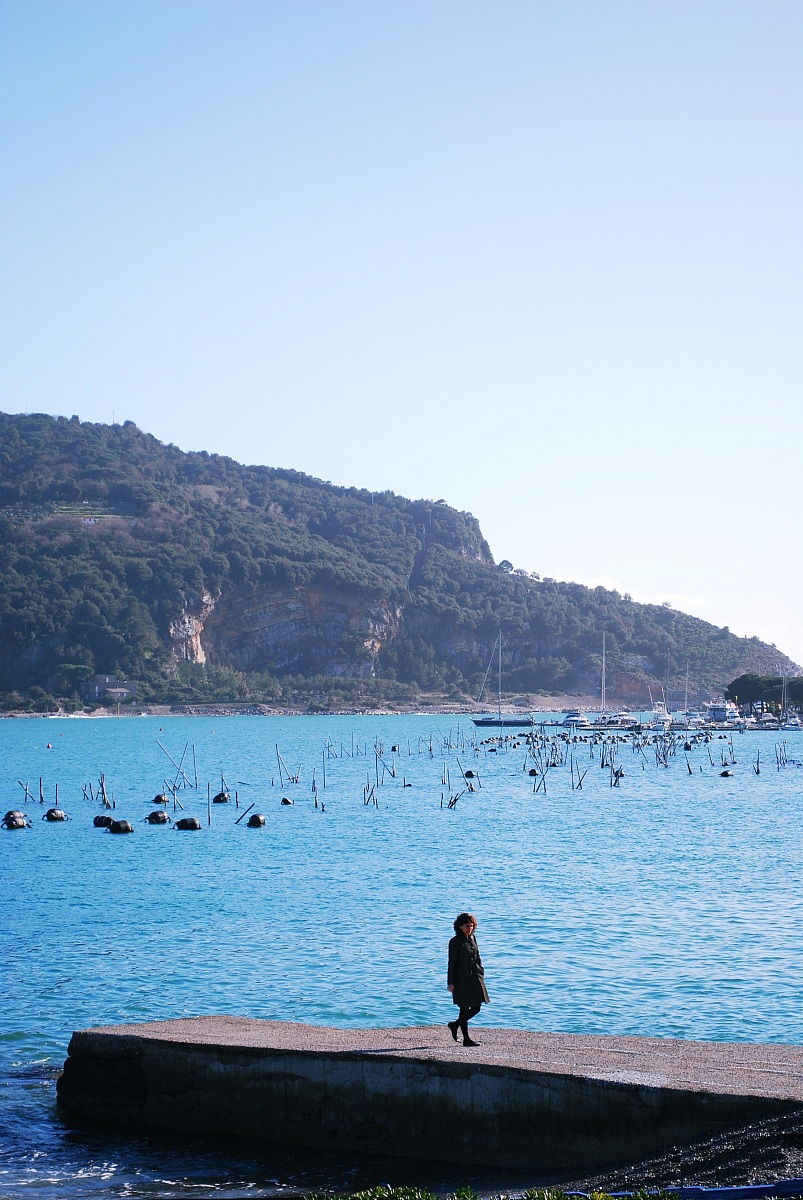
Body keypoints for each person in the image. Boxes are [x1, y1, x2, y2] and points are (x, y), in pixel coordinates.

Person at [447, 911, 489, 1046]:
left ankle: (455, 1025)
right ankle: (466, 1039)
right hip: (462, 979)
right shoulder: (455, 942)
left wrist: (481, 972)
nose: (469, 928)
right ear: (460, 926)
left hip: (476, 977)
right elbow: (452, 963)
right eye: (467, 926)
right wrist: (450, 983)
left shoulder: (472, 938)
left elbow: (477, 957)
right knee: (464, 1008)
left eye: (471, 926)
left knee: (477, 1007)